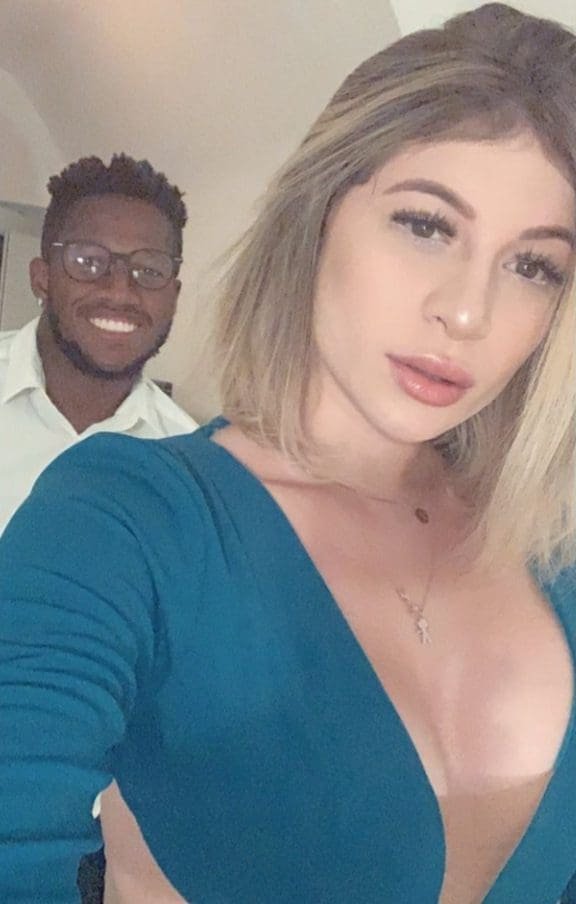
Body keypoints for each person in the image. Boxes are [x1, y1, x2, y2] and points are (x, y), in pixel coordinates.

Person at [1, 3, 576, 902]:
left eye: (534, 265)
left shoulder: (554, 545)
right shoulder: (127, 519)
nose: (468, 312)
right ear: (317, 214)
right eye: (426, 225)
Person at [0, 153, 197, 536]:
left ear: (173, 296)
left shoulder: (183, 463)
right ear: (42, 278)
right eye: (89, 262)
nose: (120, 292)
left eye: (149, 270)